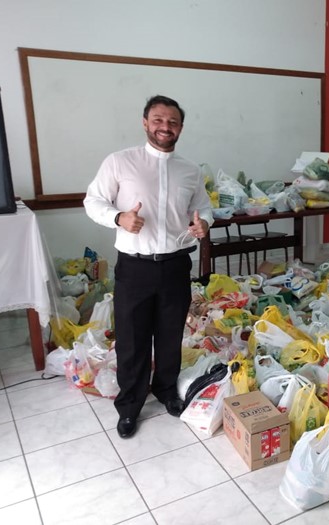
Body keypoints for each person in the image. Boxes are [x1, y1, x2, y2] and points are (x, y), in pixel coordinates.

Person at [84, 95, 213, 438]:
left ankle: (166, 390)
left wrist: (204, 225)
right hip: (135, 266)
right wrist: (119, 217)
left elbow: (203, 207)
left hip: (174, 265)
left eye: (172, 122)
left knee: (170, 335)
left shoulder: (190, 170)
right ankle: (129, 406)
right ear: (145, 123)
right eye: (158, 120)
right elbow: (92, 200)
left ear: (180, 128)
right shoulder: (120, 162)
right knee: (132, 339)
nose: (164, 127)